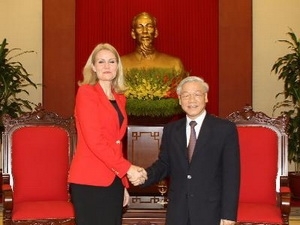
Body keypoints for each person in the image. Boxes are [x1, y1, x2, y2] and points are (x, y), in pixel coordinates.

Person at [135, 76, 240, 225]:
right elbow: (164, 164)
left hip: (211, 212)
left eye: (197, 94)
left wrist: (228, 214)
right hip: (178, 211)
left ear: (206, 97)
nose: (191, 100)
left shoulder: (224, 129)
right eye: (186, 95)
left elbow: (231, 175)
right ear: (179, 100)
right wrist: (145, 175)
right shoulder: (171, 130)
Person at [68, 43, 147, 225]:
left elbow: (116, 143)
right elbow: (95, 141)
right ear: (93, 67)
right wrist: (128, 168)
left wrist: (123, 183)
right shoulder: (86, 93)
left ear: (118, 67)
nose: (106, 66)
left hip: (113, 179)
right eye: (101, 61)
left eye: (112, 61)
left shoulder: (119, 98)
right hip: (89, 180)